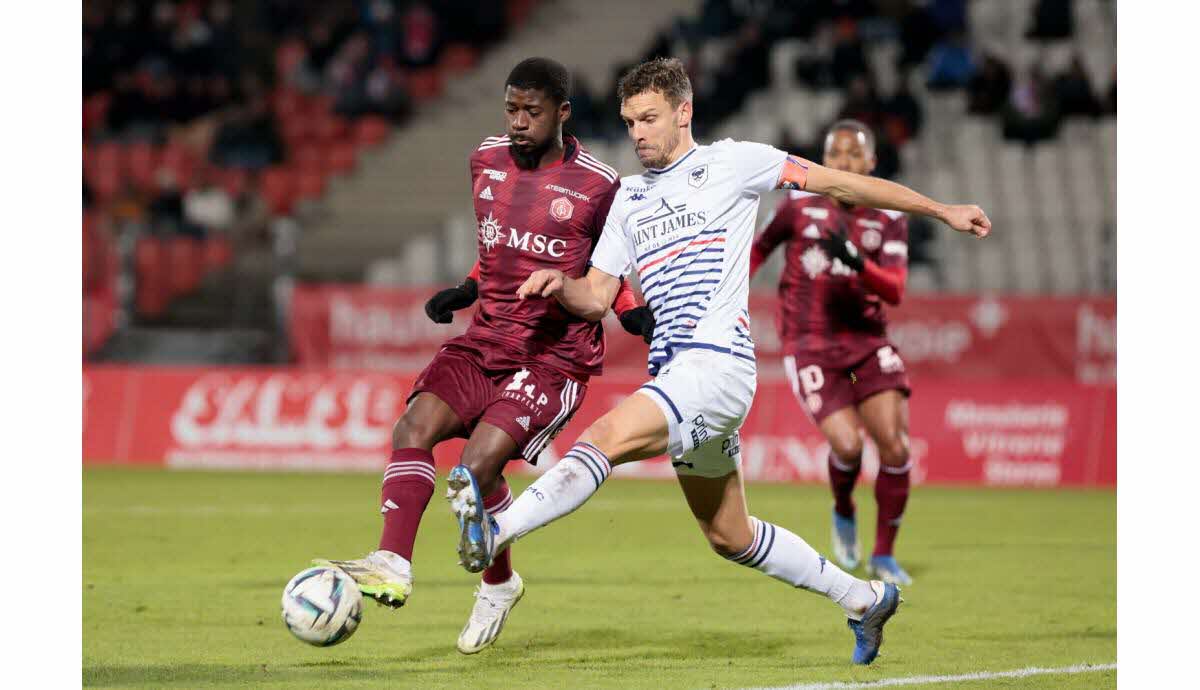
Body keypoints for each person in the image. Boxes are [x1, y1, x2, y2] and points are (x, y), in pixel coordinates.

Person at [445, 57, 989, 666]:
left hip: (719, 365)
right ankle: (863, 598)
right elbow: (597, 296)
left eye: (649, 119)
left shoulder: (734, 162)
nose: (639, 134)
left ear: (684, 112)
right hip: (677, 375)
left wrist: (941, 209)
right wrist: (558, 283)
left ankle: (497, 531)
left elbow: (842, 184)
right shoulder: (628, 199)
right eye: (629, 123)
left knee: (604, 437)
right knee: (730, 535)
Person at [314, 57, 654, 655]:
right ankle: (393, 561)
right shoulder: (485, 160)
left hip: (554, 357)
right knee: (412, 427)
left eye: (533, 111)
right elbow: (499, 243)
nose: (519, 122)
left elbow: (609, 265)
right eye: (512, 109)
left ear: (562, 113)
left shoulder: (600, 185)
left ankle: (497, 584)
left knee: (475, 472)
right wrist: (469, 287)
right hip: (485, 338)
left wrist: (628, 310)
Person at [751, 119, 915, 586]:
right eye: (835, 154)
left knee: (895, 446)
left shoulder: (889, 214)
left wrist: (857, 262)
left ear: (871, 162)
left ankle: (883, 556)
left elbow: (896, 290)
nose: (842, 162)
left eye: (852, 154)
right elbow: (758, 251)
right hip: (809, 344)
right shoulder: (799, 204)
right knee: (847, 445)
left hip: (867, 343)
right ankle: (843, 509)